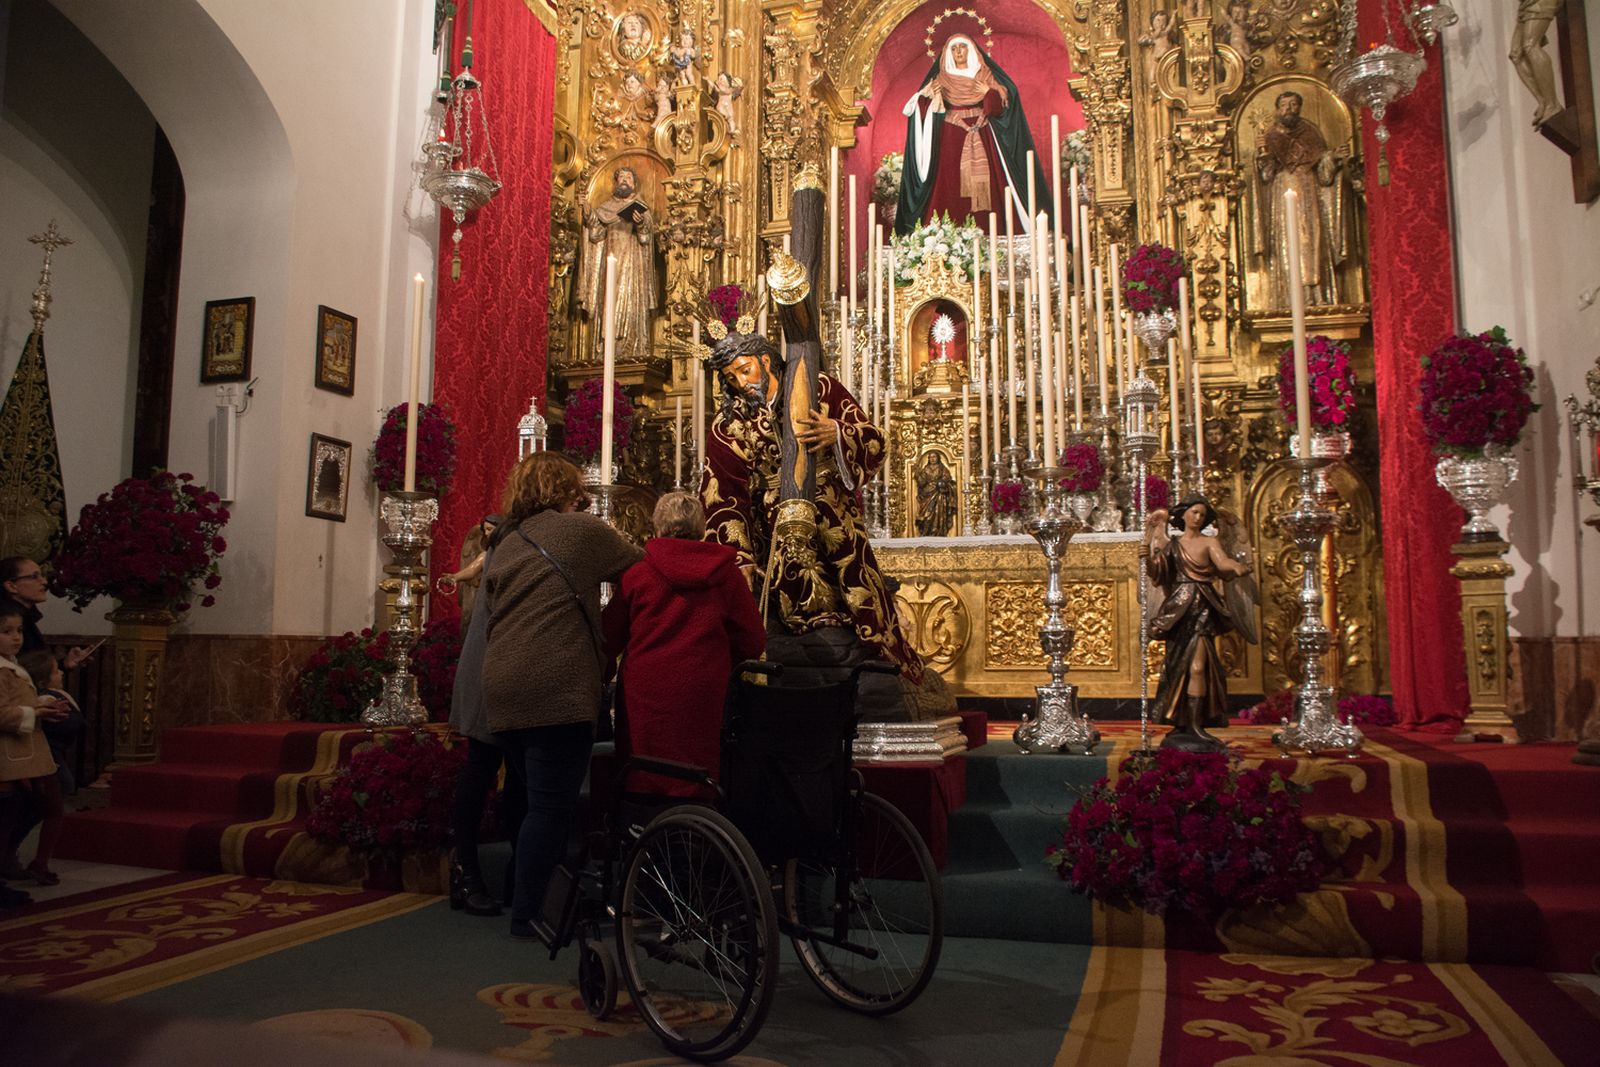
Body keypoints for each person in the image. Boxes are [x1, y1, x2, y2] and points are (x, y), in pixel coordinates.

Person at [700, 319, 921, 679]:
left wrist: (837, 432)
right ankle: (808, 631)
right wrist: (738, 557)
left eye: (744, 370)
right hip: (771, 524)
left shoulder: (819, 387)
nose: (741, 382)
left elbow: (874, 439)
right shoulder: (728, 425)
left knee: (855, 585)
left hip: (833, 508)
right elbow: (723, 496)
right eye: (731, 377)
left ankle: (864, 640)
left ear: (765, 360)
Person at [480, 453, 643, 941]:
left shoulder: (505, 542)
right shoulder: (580, 531)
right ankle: (530, 914)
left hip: (503, 680)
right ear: (567, 491)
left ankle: (531, 894)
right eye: (578, 488)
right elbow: (643, 564)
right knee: (551, 806)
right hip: (555, 681)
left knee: (528, 797)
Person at [602, 492, 764, 798]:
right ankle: (695, 830)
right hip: (703, 689)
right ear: (702, 528)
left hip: (645, 690)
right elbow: (753, 640)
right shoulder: (725, 575)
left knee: (646, 768)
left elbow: (608, 637)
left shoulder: (638, 574)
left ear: (657, 527)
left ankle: (644, 828)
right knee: (696, 769)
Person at [895, 32, 1050, 235]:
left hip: (983, 134)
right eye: (954, 48)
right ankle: (945, 238)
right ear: (948, 54)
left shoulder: (984, 75)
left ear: (972, 50)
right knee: (948, 187)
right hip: (950, 139)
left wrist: (988, 91)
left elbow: (998, 109)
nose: (959, 52)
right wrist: (927, 96)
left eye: (963, 47)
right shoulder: (941, 80)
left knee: (993, 189)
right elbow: (922, 112)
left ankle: (994, 233)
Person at [443, 516, 522, 917]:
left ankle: (518, 877)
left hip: (514, 673)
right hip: (492, 668)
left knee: (519, 779)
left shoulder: (520, 538)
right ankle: (466, 871)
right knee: (480, 771)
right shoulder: (510, 542)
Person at [1143, 498, 1257, 751]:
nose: (1198, 518)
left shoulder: (1210, 541)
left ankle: (1196, 724)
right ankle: (1183, 722)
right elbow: (1158, 574)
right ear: (1183, 515)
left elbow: (1223, 562)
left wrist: (1238, 567)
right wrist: (1148, 559)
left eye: (1203, 514)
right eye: (1194, 512)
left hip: (1202, 607)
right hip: (1177, 611)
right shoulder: (1173, 545)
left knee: (1197, 666)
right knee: (1176, 665)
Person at [1251, 90, 1353, 308]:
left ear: (1300, 107)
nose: (1289, 109)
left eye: (1294, 104)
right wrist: (1263, 156)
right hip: (1283, 191)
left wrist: (1333, 157)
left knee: (1313, 239)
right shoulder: (1270, 136)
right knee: (1290, 240)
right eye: (1284, 105)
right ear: (1277, 109)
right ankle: (1294, 294)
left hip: (1309, 189)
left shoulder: (1311, 133)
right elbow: (1266, 176)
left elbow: (1325, 177)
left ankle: (1317, 293)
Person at [0, 602, 69, 901]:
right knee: (4, 817)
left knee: (12, 814)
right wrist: (34, 713)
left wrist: (40, 705)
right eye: (6, 632)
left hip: (20, 756)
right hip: (6, 756)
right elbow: (1, 713)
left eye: (19, 631)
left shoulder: (11, 664)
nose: (16, 638)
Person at [578, 166, 656, 362]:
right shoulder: (605, 207)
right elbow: (595, 234)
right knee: (609, 301)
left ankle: (632, 345)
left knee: (629, 299)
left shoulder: (640, 208)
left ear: (634, 183)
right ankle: (608, 346)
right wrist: (588, 212)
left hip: (632, 265)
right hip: (609, 260)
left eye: (628, 177)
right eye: (621, 177)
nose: (624, 180)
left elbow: (646, 239)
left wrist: (639, 223)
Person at [1511, 0, 1566, 127]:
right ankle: (1544, 101)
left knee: (1530, 46)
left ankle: (1552, 104)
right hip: (1525, 3)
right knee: (1516, 54)